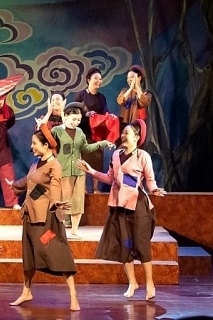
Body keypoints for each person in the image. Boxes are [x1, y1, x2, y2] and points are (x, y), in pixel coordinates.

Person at [76, 119, 166, 301]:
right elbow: (110, 178)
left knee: (141, 246)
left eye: (127, 133)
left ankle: (150, 284)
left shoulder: (142, 156)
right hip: (119, 206)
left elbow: (150, 180)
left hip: (138, 206)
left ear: (137, 137)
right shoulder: (116, 155)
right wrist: (91, 171)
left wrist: (155, 189)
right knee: (125, 245)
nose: (123, 135)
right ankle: (132, 282)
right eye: (123, 132)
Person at [6, 130, 80, 311]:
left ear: (45, 145)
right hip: (30, 215)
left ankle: (73, 294)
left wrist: (55, 202)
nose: (31, 146)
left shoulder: (54, 165)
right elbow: (29, 181)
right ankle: (26, 291)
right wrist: (14, 185)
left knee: (57, 251)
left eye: (34, 143)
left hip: (46, 219)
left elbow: (55, 186)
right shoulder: (36, 163)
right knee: (29, 254)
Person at [48, 102, 113, 238]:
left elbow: (86, 148)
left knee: (78, 201)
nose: (76, 122)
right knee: (63, 200)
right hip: (63, 170)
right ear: (65, 116)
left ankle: (74, 229)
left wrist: (102, 143)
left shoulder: (79, 132)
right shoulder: (57, 131)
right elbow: (48, 145)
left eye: (78, 120)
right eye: (73, 119)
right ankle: (59, 229)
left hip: (78, 170)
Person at [74, 67, 119, 194]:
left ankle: (95, 188)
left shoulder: (101, 97)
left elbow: (105, 111)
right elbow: (75, 111)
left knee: (97, 159)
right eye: (95, 78)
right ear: (88, 79)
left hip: (98, 133)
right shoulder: (81, 95)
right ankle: (83, 187)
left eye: (100, 79)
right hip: (84, 131)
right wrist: (86, 114)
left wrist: (110, 116)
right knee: (83, 158)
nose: (98, 81)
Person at [116, 65, 152, 132]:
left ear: (139, 78)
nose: (129, 79)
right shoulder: (125, 91)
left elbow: (145, 102)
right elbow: (120, 101)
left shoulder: (146, 94)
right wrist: (130, 89)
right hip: (125, 125)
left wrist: (137, 88)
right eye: (128, 78)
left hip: (138, 126)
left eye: (132, 77)